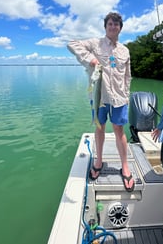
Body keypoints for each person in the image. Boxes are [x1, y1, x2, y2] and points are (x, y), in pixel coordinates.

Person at [67, 12, 134, 192]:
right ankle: (98, 161)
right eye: (110, 24)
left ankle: (125, 166)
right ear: (105, 27)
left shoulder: (125, 50)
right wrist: (91, 59)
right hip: (99, 96)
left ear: (120, 28)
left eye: (116, 24)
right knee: (99, 127)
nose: (113, 27)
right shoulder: (95, 44)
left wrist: (126, 94)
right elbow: (71, 43)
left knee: (119, 130)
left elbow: (128, 76)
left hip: (119, 97)